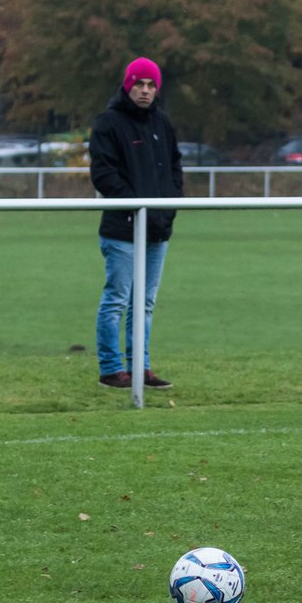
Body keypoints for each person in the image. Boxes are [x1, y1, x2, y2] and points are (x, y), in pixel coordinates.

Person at [89, 56, 184, 390]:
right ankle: (111, 369)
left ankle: (141, 369)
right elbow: (103, 173)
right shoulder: (108, 123)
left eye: (151, 85)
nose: (145, 91)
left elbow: (174, 167)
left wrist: (169, 207)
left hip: (158, 230)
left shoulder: (162, 123)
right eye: (139, 84)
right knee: (117, 298)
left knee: (144, 302)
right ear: (128, 85)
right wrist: (135, 205)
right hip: (122, 230)